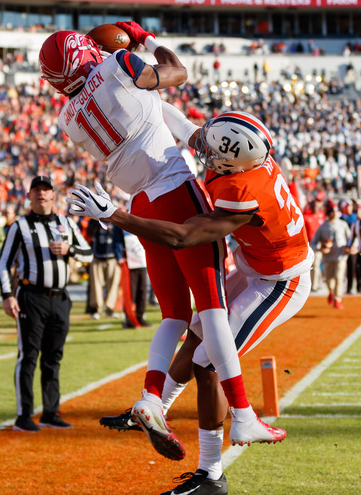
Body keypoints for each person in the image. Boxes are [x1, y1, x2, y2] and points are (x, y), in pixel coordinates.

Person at [39, 25, 279, 457]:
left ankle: (151, 397)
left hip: (141, 202)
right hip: (171, 188)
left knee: (173, 313)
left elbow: (150, 106)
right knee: (212, 308)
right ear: (84, 51)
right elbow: (176, 71)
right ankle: (243, 413)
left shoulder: (67, 119)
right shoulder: (117, 64)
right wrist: (145, 40)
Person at [69, 110, 312, 495]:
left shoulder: (243, 191)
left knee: (207, 362)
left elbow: (182, 237)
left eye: (213, 152)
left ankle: (211, 474)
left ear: (231, 161)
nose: (204, 151)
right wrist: (146, 98)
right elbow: (186, 128)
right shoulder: (243, 160)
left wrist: (114, 215)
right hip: (255, 269)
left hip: (278, 283)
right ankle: (153, 410)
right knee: (196, 344)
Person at [0, 176, 93, 432]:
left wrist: (69, 249)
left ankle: (51, 412)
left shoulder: (66, 223)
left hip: (60, 298)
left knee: (53, 357)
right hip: (32, 297)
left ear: (54, 195)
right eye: (36, 190)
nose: (41, 194)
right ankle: (24, 415)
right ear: (29, 196)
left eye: (46, 190)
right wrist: (7, 295)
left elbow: (88, 254)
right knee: (28, 356)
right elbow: (4, 262)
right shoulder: (20, 226)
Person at [312, 204, 351, 309]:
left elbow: (350, 238)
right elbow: (314, 242)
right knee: (329, 279)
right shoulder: (322, 227)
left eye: (335, 211)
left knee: (339, 277)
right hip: (328, 257)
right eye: (332, 212)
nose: (334, 214)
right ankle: (332, 292)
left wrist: (348, 247)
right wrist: (320, 249)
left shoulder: (342, 224)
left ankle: (337, 299)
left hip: (341, 256)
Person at [86, 218, 124, 320]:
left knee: (113, 285)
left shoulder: (116, 220)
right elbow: (89, 233)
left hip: (113, 257)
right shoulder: (94, 221)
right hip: (97, 256)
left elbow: (121, 238)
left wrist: (120, 255)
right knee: (96, 285)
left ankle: (109, 308)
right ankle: (95, 309)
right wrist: (97, 220)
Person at [122, 230, 152, 328]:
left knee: (142, 292)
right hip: (130, 264)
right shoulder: (122, 226)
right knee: (131, 293)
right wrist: (119, 256)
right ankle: (129, 319)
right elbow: (118, 241)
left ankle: (140, 317)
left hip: (142, 263)